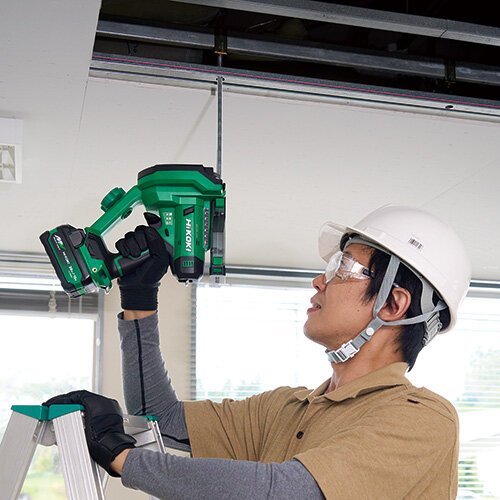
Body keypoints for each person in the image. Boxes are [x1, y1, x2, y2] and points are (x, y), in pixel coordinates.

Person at [45, 204, 471, 499]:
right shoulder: (287, 409)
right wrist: (139, 297)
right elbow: (160, 417)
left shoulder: (422, 419)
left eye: (343, 268)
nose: (319, 282)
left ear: (393, 304)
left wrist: (122, 458)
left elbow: (285, 492)